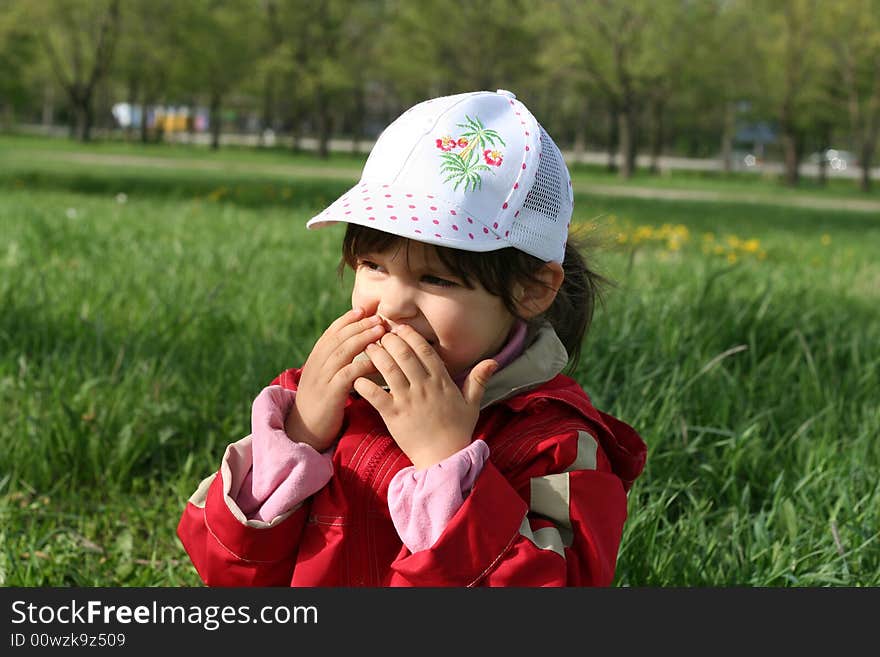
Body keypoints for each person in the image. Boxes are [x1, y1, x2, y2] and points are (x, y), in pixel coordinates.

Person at [177, 89, 647, 587]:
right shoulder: (321, 399)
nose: (392, 305)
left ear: (531, 290)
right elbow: (225, 569)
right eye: (373, 266)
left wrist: (447, 467)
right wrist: (298, 437)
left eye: (436, 280)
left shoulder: (556, 445)